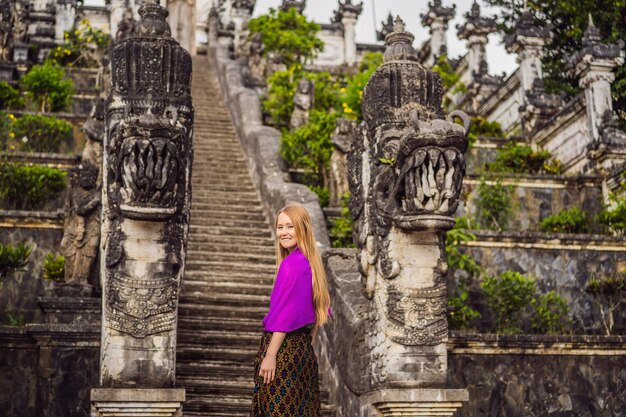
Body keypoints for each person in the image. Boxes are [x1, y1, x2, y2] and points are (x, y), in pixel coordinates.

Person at [250, 204, 332, 417]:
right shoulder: (311, 265)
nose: (283, 232)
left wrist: (271, 354)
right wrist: (304, 345)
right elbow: (319, 313)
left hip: (283, 352)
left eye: (290, 226)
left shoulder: (292, 264)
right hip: (303, 354)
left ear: (302, 228)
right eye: (280, 227)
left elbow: (284, 315)